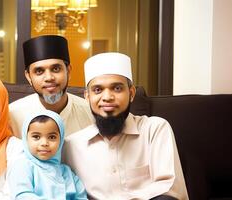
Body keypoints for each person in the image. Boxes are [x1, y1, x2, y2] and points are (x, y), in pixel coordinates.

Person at [63, 52, 189, 199]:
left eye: (117, 88)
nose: (107, 97)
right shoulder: (71, 145)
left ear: (131, 93)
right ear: (87, 97)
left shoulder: (154, 129)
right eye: (98, 90)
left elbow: (170, 189)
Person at [9, 35, 94, 138]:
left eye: (56, 69)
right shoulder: (12, 116)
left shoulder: (91, 113)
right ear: (28, 76)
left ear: (68, 71)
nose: (49, 77)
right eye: (39, 71)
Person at [8, 110, 88, 200]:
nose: (44, 143)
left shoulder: (66, 172)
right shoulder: (23, 166)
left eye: (52, 137)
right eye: (36, 137)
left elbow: (81, 197)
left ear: (61, 140)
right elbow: (22, 195)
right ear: (26, 139)